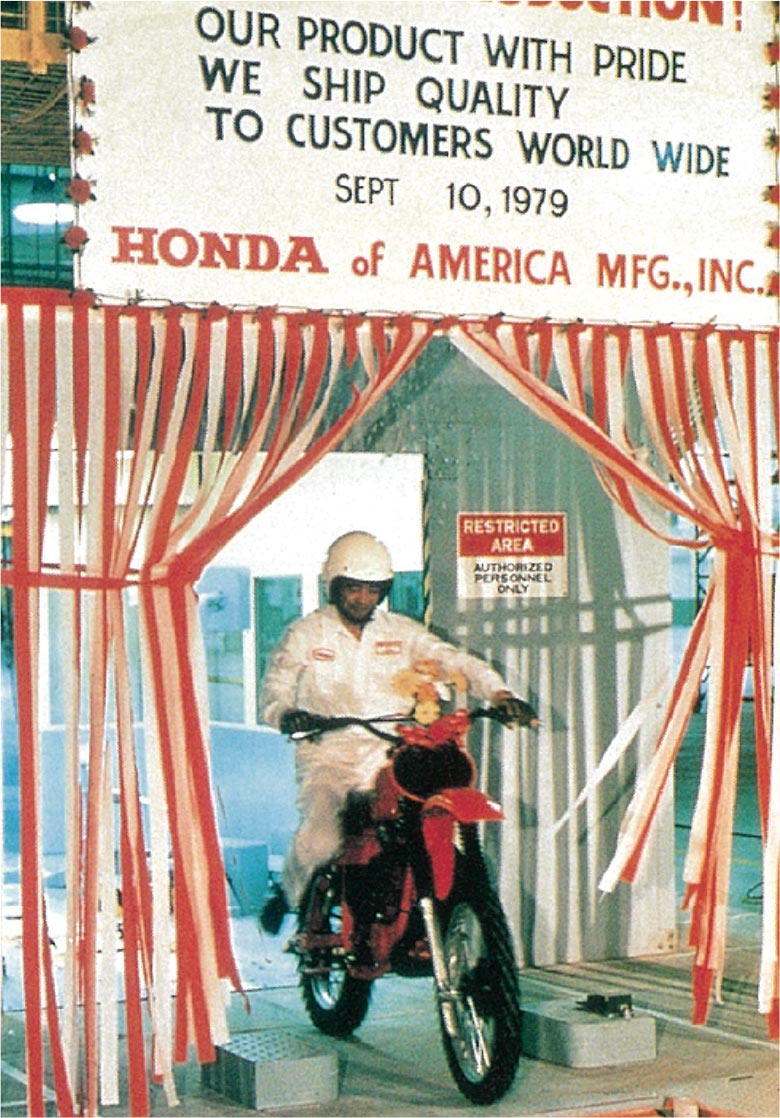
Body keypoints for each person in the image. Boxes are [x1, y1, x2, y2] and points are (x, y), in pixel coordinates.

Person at [259, 529, 537, 935]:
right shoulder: (306, 634)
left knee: (421, 823)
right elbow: (274, 691)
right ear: (334, 586)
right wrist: (287, 714)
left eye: (372, 590)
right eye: (353, 588)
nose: (362, 599)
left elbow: (451, 660)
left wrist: (499, 693)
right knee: (322, 840)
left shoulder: (401, 632)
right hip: (330, 756)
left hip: (393, 754)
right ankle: (288, 893)